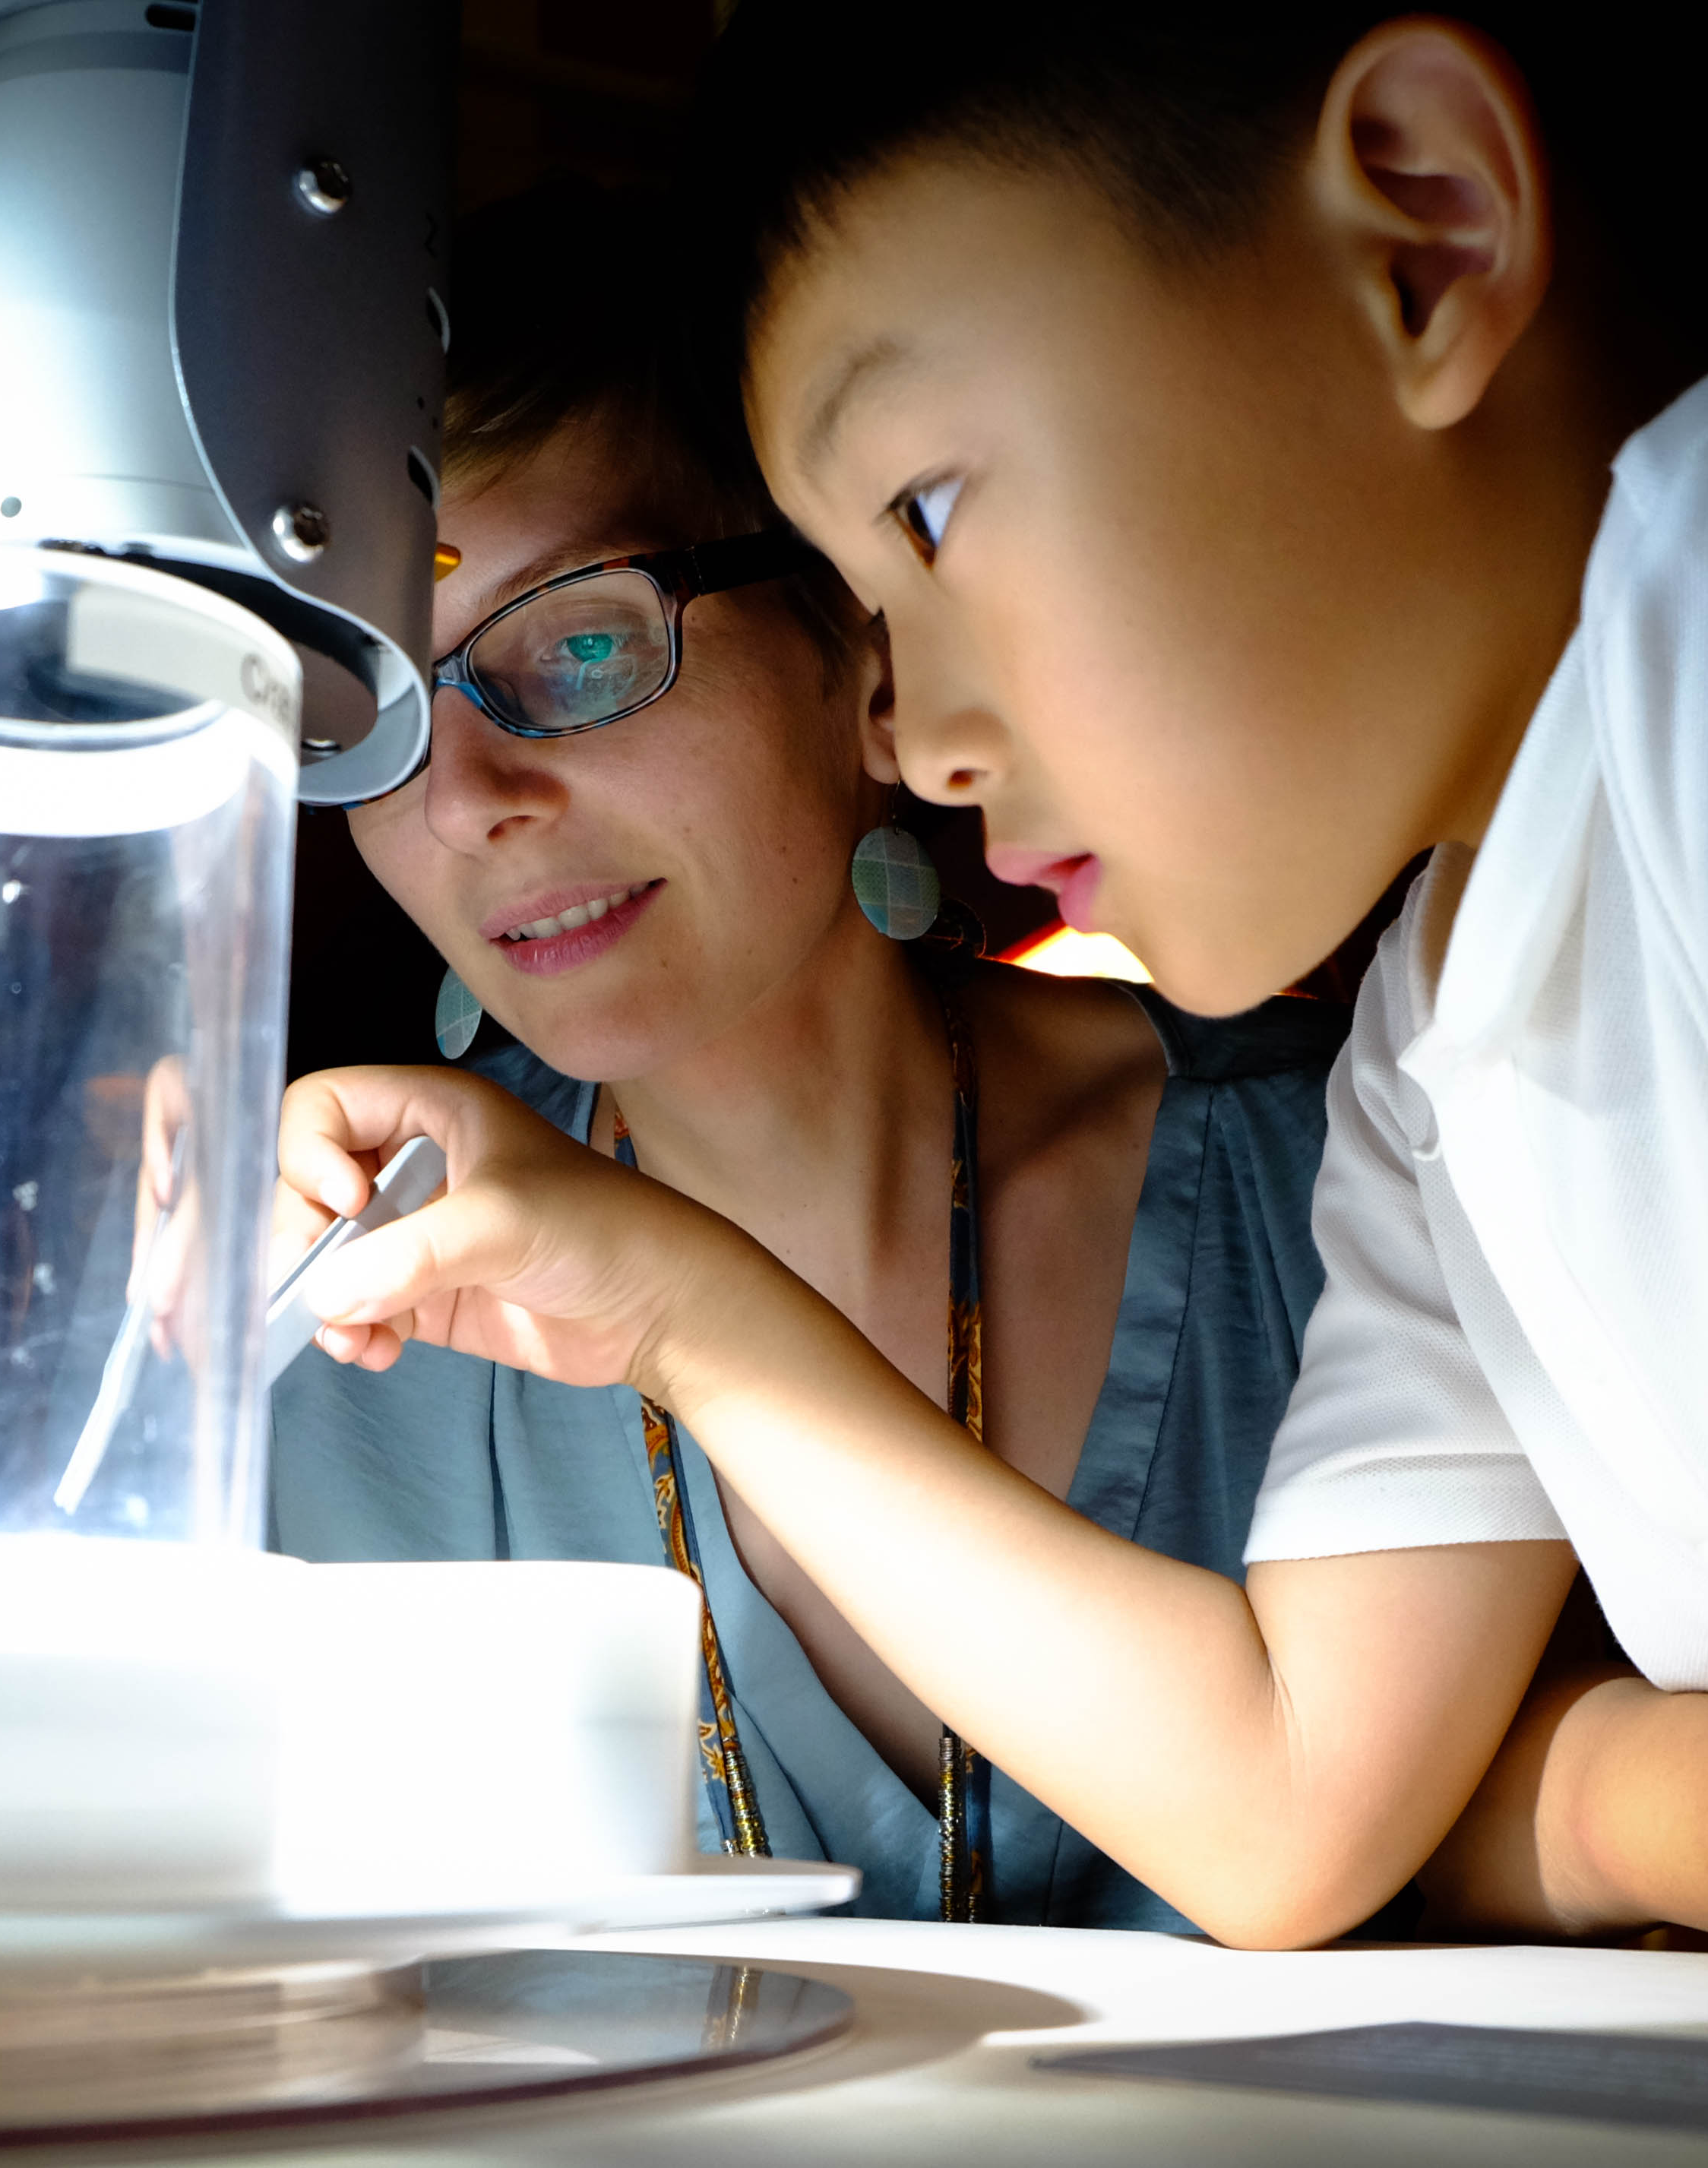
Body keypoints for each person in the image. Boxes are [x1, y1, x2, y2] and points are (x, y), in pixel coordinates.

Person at [279, 11, 1708, 1992]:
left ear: (1424, 243)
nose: (920, 723)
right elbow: (1286, 1798)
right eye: (375, 718)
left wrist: (1572, 1784)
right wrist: (674, 1303)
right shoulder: (1429, 1082)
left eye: (925, 515)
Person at [267, 179, 1355, 1928]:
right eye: (377, 714)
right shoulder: (346, 1333)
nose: (463, 807)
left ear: (861, 643)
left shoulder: (1326, 1182)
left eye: (583, 643)